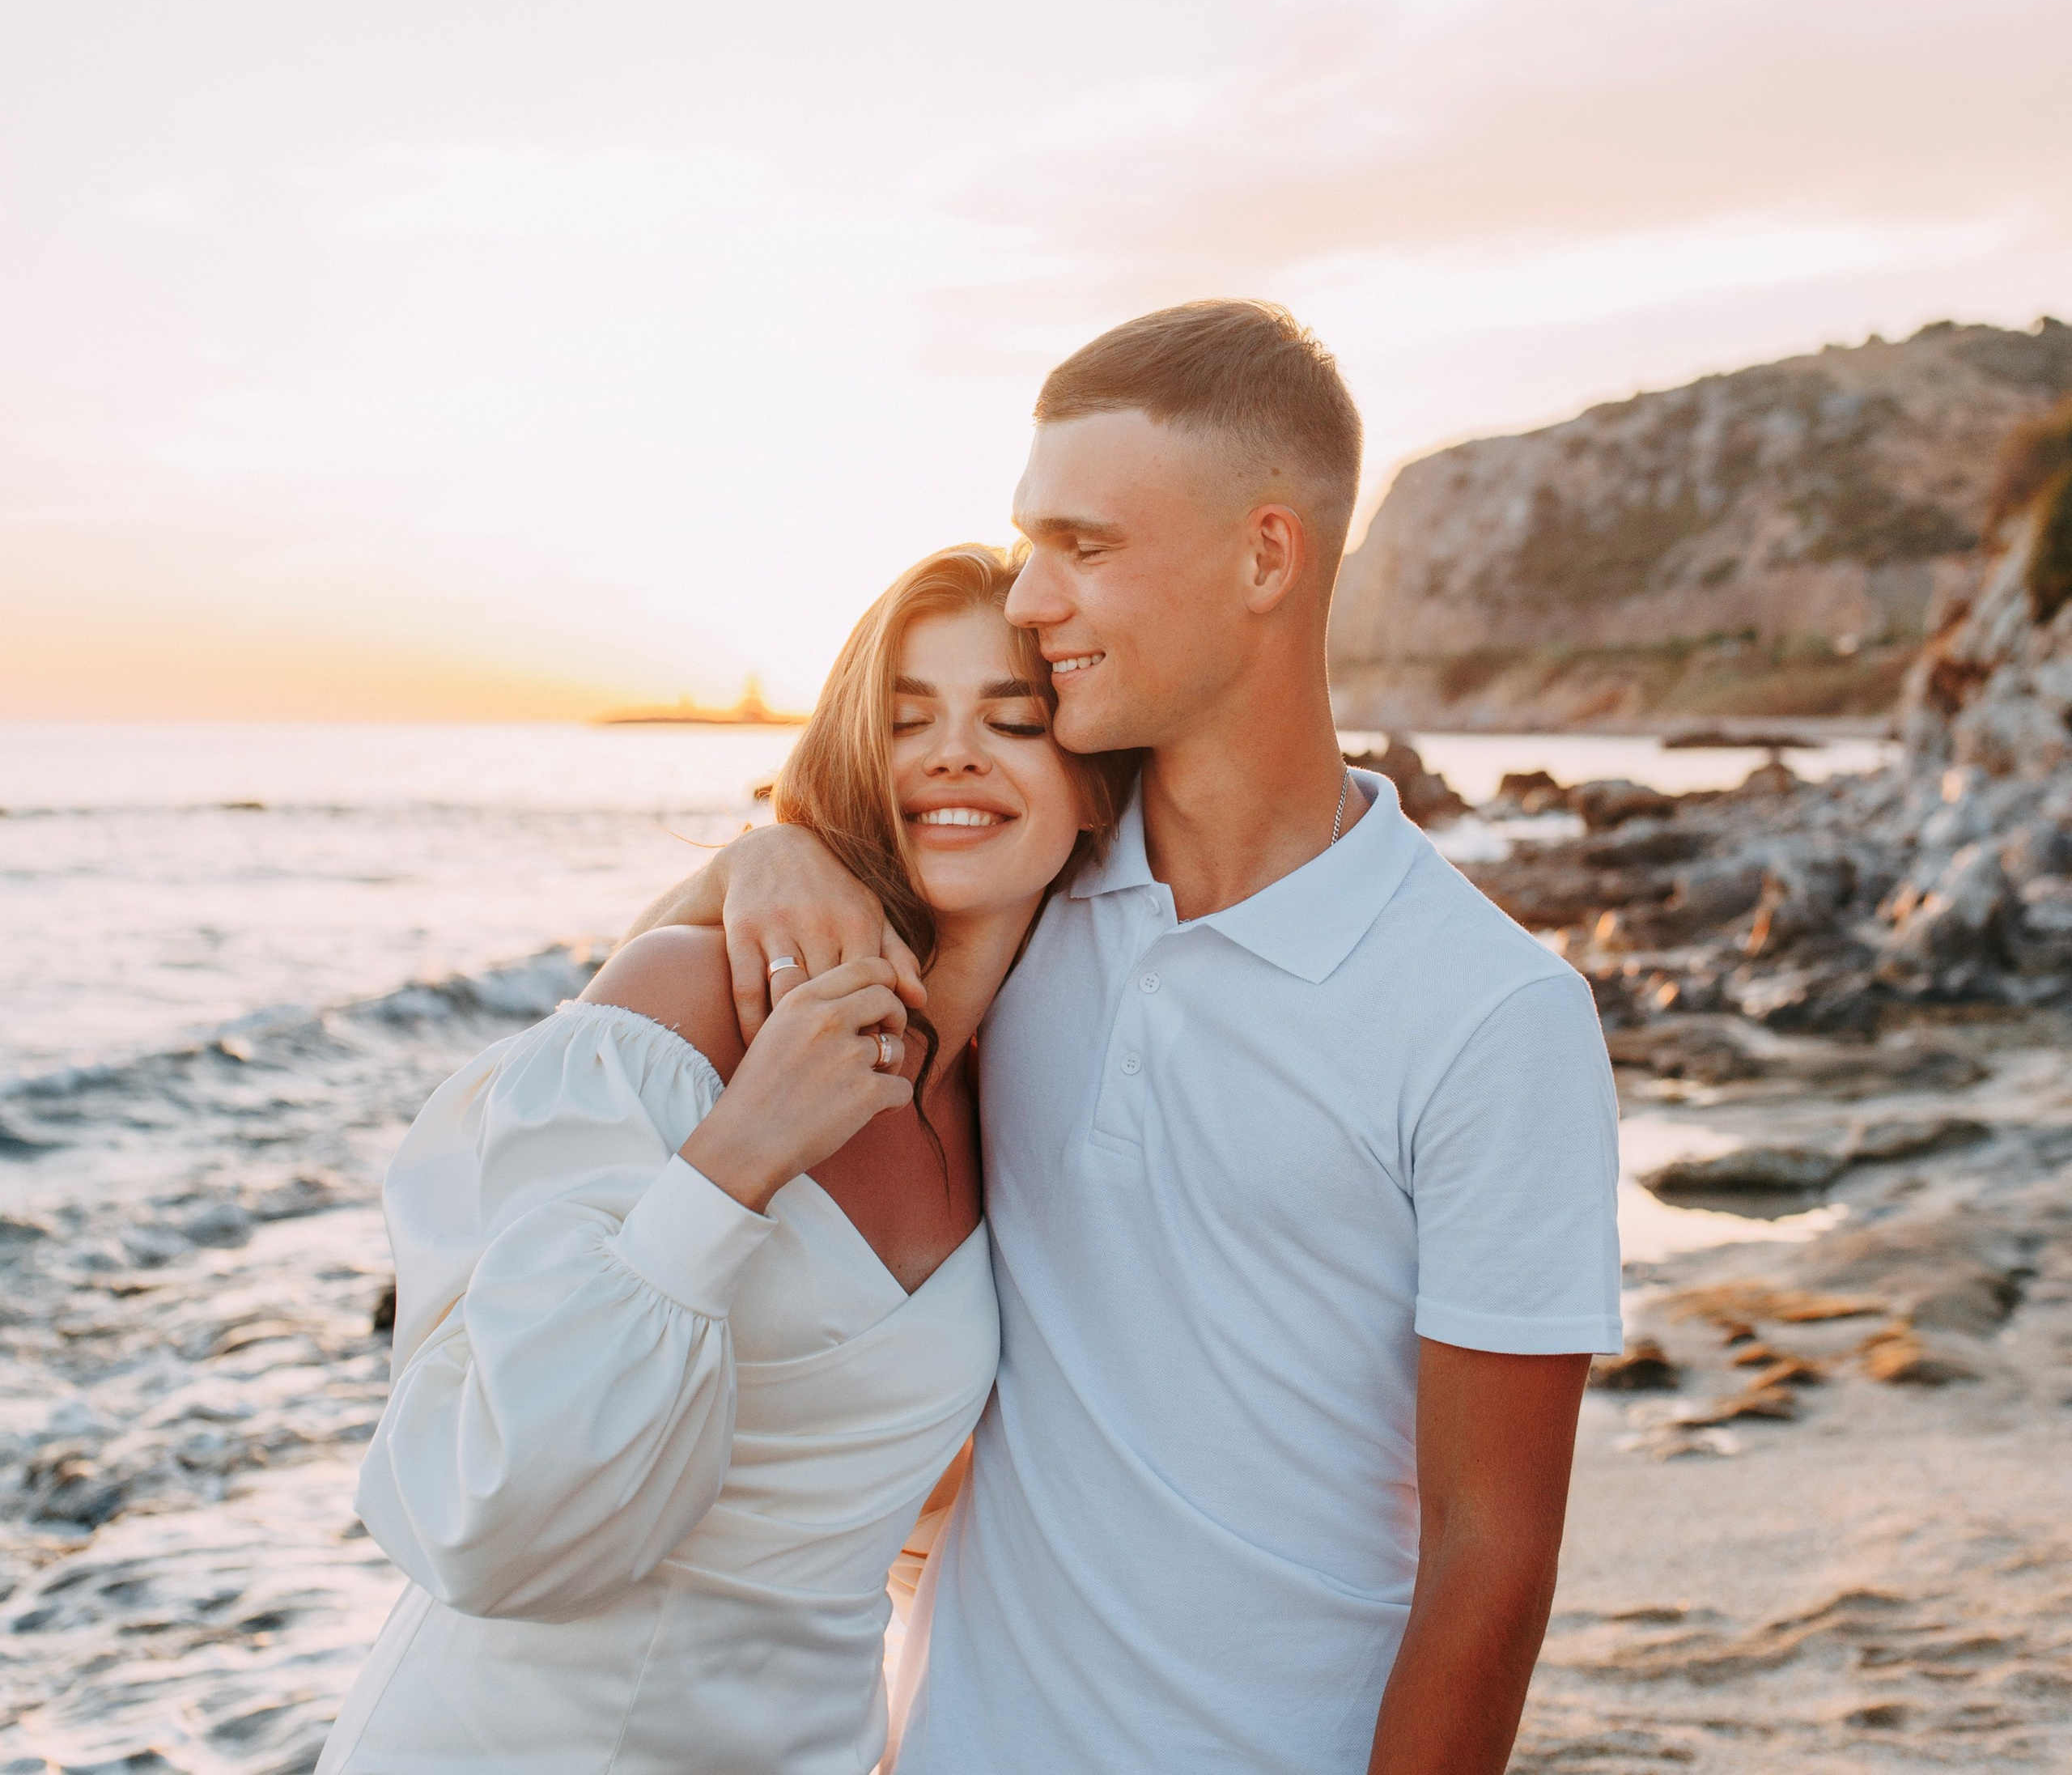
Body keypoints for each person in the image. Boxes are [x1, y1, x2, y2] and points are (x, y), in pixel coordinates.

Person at [639, 300, 1624, 1775]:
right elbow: (658, 1001)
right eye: (1030, 543)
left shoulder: (1494, 1016)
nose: (1032, 600)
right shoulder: (1024, 903)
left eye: (1084, 548)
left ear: (1266, 557)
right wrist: (770, 853)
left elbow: (1492, 1566)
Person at [316, 545, 1132, 1775]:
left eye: (1012, 721)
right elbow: (484, 1521)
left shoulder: (1025, 1086)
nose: (954, 753)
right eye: (906, 720)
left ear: (1094, 794)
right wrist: (736, 1162)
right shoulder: (688, 1003)